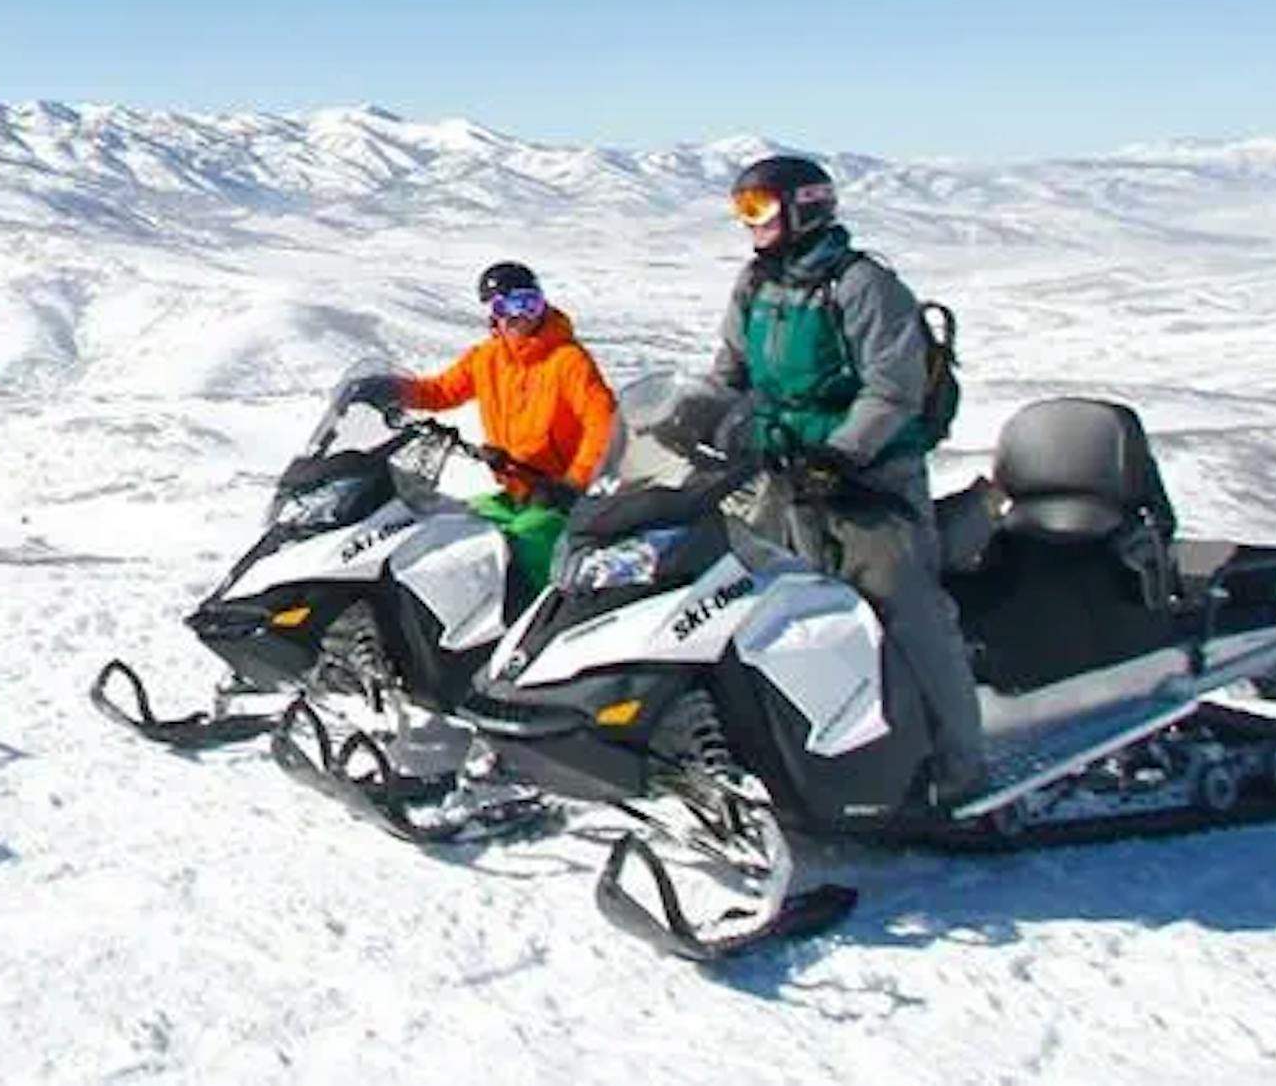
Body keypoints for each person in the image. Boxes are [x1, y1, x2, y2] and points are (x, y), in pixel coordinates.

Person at [684, 152, 989, 810]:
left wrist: (843, 454)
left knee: (902, 607)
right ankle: (791, 754)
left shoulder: (862, 286)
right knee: (757, 607)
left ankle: (963, 771)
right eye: (742, 209)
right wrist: (683, 419)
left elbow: (892, 390)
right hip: (781, 477)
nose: (750, 224)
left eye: (759, 208)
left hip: (869, 484)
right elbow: (728, 374)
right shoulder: (755, 286)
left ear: (806, 206)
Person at [340, 261, 621, 595]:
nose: (519, 316)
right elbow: (442, 391)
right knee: (453, 530)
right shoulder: (486, 358)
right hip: (516, 490)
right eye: (506, 306)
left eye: (529, 303)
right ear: (492, 315)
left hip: (562, 498)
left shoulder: (568, 361)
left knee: (522, 545)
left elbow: (604, 425)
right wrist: (394, 390)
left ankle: (534, 624)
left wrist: (573, 484)